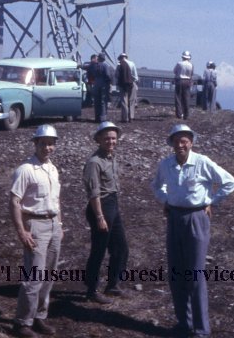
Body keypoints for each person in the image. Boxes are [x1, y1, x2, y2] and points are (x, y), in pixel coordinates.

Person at [152, 124, 234, 338]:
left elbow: (229, 182)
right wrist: (166, 200)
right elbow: (156, 186)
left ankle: (201, 329)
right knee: (176, 272)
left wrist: (212, 202)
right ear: (171, 143)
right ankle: (184, 322)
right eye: (176, 140)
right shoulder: (166, 164)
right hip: (174, 218)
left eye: (185, 140)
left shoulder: (202, 162)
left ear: (191, 142)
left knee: (195, 274)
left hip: (197, 218)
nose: (180, 145)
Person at [10, 124, 62, 337]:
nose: (47, 148)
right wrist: (22, 231)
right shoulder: (26, 170)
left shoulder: (52, 168)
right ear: (36, 144)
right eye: (43, 143)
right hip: (35, 226)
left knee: (49, 275)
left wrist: (60, 225)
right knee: (34, 276)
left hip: (53, 225)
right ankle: (22, 322)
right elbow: (14, 202)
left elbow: (56, 200)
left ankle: (39, 317)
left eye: (51, 144)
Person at [83, 121, 129, 303]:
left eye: (113, 138)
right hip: (100, 207)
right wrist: (100, 216)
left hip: (112, 205)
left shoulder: (111, 157)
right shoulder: (94, 162)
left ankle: (113, 285)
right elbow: (93, 193)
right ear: (98, 139)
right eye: (107, 138)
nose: (111, 141)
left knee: (121, 248)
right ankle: (91, 290)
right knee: (99, 250)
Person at [115, 53, 138, 123]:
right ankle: (131, 117)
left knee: (124, 101)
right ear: (126, 57)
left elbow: (116, 75)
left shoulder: (119, 65)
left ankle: (125, 118)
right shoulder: (132, 63)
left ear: (120, 58)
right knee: (132, 101)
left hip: (123, 85)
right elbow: (135, 76)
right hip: (132, 84)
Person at [93, 53, 114, 123]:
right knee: (103, 101)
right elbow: (108, 75)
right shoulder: (105, 66)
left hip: (96, 84)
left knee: (96, 101)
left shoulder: (95, 66)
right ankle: (103, 118)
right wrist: (109, 82)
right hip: (104, 85)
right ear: (104, 59)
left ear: (99, 58)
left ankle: (97, 117)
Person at [173, 51, 194, 119]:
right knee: (186, 98)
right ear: (189, 58)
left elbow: (174, 71)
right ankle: (186, 115)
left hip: (179, 81)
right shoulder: (191, 65)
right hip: (187, 81)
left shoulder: (179, 64)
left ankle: (179, 114)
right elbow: (191, 74)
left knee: (178, 98)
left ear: (182, 57)